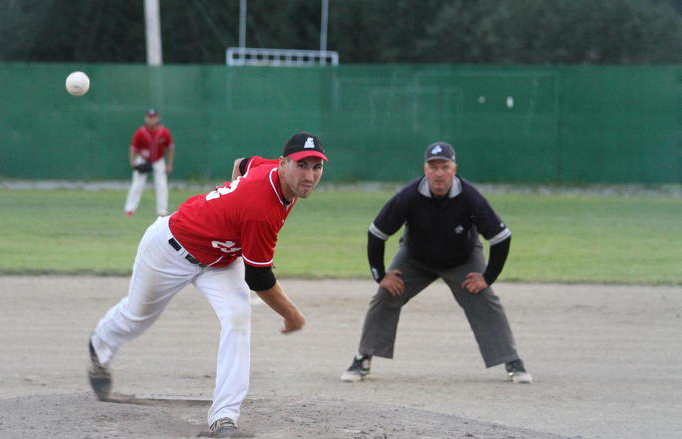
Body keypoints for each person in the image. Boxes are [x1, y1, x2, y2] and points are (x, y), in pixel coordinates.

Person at [89, 131, 328, 437]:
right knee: (137, 316)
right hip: (170, 248)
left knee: (238, 318)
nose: (309, 175)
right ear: (283, 164)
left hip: (220, 261)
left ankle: (224, 419)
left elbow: (242, 164)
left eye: (316, 167)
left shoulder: (275, 174)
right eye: (301, 165)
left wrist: (230, 207)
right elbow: (259, 278)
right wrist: (292, 315)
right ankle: (98, 347)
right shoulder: (261, 209)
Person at [341, 141, 532, 385]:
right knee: (385, 295)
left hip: (462, 258)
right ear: (425, 169)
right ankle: (363, 358)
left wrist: (487, 277)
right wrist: (381, 276)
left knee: (484, 299)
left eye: (445, 166)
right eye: (433, 167)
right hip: (415, 257)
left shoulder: (470, 197)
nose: (439, 173)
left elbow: (502, 237)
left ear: (454, 169)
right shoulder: (409, 196)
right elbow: (376, 233)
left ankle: (512, 361)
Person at [124, 108, 175, 217]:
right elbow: (133, 149)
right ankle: (130, 209)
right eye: (149, 117)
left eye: (154, 117)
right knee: (137, 184)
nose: (151, 119)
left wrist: (169, 164)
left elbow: (169, 149)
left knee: (161, 185)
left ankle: (162, 211)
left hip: (158, 160)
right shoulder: (140, 132)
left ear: (157, 118)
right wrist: (133, 163)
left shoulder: (164, 132)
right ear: (145, 118)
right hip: (143, 160)